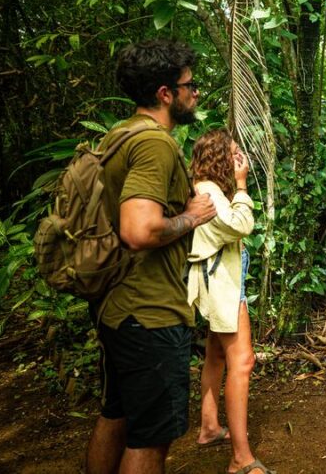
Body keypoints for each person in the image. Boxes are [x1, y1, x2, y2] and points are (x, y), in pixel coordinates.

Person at [86, 39, 217, 474]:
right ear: (165, 94)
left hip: (116, 308)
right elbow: (139, 230)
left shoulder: (118, 135)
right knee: (150, 439)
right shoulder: (155, 144)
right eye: (189, 85)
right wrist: (192, 217)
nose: (195, 93)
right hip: (150, 313)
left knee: (117, 417)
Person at [187, 129, 273, 474]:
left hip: (216, 281)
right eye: (235, 155)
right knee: (243, 361)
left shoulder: (204, 189)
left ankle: (209, 427)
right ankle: (241, 458)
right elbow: (242, 224)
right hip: (222, 284)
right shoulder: (209, 194)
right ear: (222, 160)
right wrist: (241, 185)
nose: (241, 160)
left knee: (216, 353)